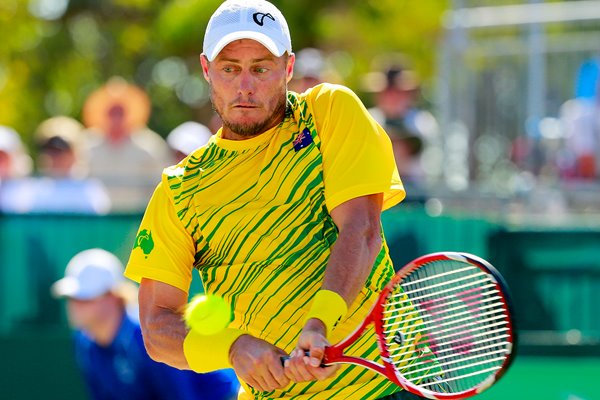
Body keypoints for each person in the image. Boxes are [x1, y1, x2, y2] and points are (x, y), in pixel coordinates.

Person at [125, 1, 420, 399]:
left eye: (261, 68)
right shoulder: (178, 190)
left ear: (289, 68)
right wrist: (232, 347)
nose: (245, 86)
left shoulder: (329, 110)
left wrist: (319, 324)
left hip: (386, 384)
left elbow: (361, 229)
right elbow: (157, 329)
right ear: (207, 70)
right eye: (230, 68)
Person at [52, 248, 240, 400]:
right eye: (71, 298)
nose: (74, 305)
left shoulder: (145, 338)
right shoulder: (84, 343)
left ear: (113, 297)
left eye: (85, 298)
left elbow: (182, 396)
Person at [82, 77, 171, 212]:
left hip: (136, 220)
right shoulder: (87, 145)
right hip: (96, 222)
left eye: (120, 112)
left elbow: (162, 186)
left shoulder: (149, 146)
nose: (116, 118)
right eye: (112, 112)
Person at [0, 116, 112, 214]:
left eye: (61, 150)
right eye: (50, 150)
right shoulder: (31, 191)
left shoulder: (91, 191)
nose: (55, 156)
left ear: (75, 153)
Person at [366, 64, 439, 186]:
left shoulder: (423, 122)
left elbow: (431, 165)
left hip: (415, 193)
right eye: (387, 92)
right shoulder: (369, 119)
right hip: (378, 189)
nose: (392, 97)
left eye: (397, 92)